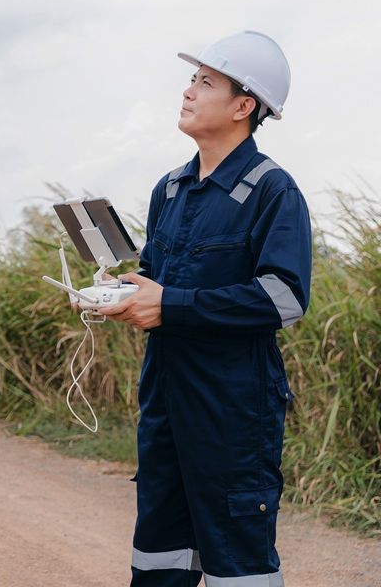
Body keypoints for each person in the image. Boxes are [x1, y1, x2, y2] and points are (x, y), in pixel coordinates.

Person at [100, 31, 311, 587]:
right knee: (159, 560)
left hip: (234, 414)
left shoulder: (273, 190)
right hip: (166, 402)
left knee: (237, 565)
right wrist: (124, 295)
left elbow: (285, 298)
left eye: (206, 82)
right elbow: (157, 283)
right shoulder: (168, 190)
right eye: (192, 79)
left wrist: (171, 305)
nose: (189, 91)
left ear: (244, 106)